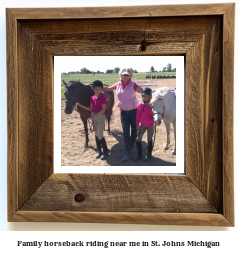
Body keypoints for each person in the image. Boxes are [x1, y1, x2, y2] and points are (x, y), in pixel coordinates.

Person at [103, 68, 142, 161]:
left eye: (127, 75)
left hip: (133, 110)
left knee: (134, 129)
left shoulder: (133, 85)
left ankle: (133, 144)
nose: (125, 76)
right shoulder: (118, 84)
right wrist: (98, 86)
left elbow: (142, 91)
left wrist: (152, 93)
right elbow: (108, 88)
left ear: (130, 76)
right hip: (123, 111)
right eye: (124, 75)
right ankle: (127, 152)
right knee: (125, 131)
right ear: (121, 75)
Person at [77, 80, 108, 160]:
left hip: (100, 117)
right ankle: (99, 151)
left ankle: (105, 152)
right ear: (93, 89)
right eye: (95, 89)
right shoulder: (92, 98)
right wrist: (81, 105)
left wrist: (93, 117)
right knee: (96, 135)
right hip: (94, 117)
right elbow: (90, 108)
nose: (97, 90)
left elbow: (103, 110)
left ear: (101, 89)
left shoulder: (103, 98)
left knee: (100, 135)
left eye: (99, 89)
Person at [133, 87, 154, 162]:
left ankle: (149, 155)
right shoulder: (140, 104)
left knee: (149, 140)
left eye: (147, 96)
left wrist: (153, 119)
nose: (145, 97)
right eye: (144, 96)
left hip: (150, 125)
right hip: (143, 125)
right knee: (138, 139)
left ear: (150, 96)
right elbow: (138, 115)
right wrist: (137, 124)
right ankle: (139, 155)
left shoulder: (152, 105)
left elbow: (155, 115)